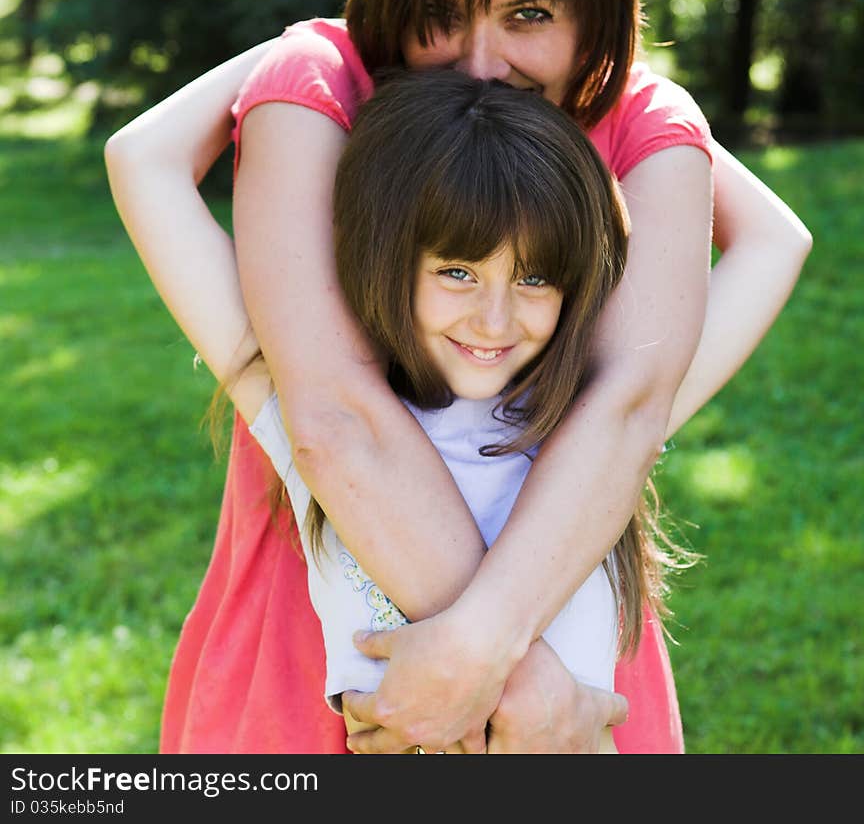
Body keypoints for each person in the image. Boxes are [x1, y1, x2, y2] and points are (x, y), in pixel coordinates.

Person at [105, 0, 812, 754]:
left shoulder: (640, 127)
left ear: (597, 14)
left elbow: (627, 411)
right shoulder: (325, 88)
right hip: (364, 654)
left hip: (556, 628)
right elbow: (333, 417)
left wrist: (483, 664)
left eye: (529, 16)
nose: (481, 63)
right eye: (439, 11)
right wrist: (515, 686)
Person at [111, 67, 660, 754]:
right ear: (389, 259)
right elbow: (141, 160)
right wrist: (313, 48)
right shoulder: (328, 418)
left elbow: (777, 241)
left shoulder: (595, 420)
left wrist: (624, 93)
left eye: (534, 277)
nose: (495, 320)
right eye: (457, 272)